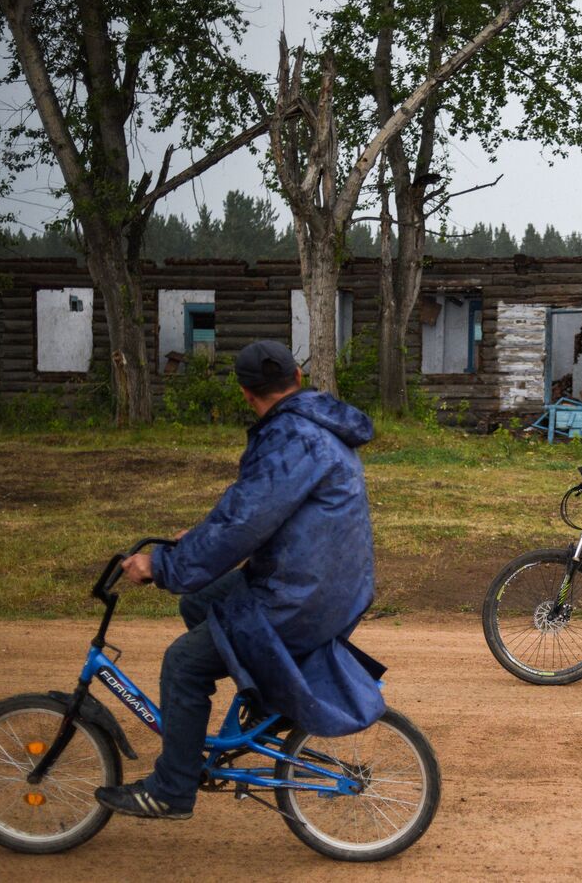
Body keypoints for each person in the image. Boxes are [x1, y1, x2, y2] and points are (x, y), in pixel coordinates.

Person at [94, 339, 382, 820]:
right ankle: (267, 699)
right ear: (298, 379)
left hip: (302, 595)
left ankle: (172, 789)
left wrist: (163, 565)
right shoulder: (313, 428)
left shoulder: (292, 438)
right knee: (199, 603)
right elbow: (247, 510)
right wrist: (195, 540)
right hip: (322, 581)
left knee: (184, 663)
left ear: (247, 393)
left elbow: (245, 524)